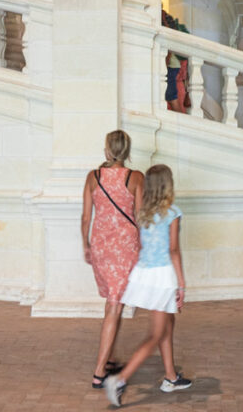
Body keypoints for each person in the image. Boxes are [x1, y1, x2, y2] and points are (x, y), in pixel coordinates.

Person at [104, 164, 191, 407]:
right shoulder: (172, 213)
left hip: (143, 274)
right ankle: (119, 380)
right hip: (161, 276)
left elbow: (144, 246)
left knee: (167, 324)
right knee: (155, 334)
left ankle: (171, 377)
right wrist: (181, 285)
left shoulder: (142, 213)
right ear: (168, 185)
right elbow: (173, 250)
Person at [81, 130, 144, 389]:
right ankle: (99, 373)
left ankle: (110, 358)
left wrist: (85, 244)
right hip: (125, 247)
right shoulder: (135, 177)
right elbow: (140, 217)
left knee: (112, 304)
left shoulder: (93, 177)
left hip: (101, 246)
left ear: (107, 150)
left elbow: (86, 217)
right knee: (115, 305)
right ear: (127, 152)